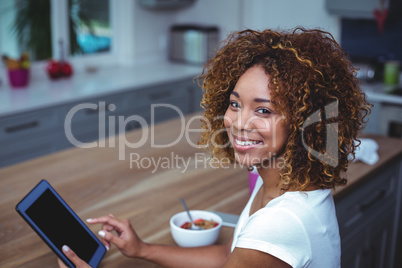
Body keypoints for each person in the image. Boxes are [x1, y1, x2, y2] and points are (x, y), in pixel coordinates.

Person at [58, 27, 371, 268]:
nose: (239, 122)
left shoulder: (282, 223)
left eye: (264, 110)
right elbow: (231, 253)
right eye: (235, 104)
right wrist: (143, 250)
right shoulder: (284, 185)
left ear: (305, 122)